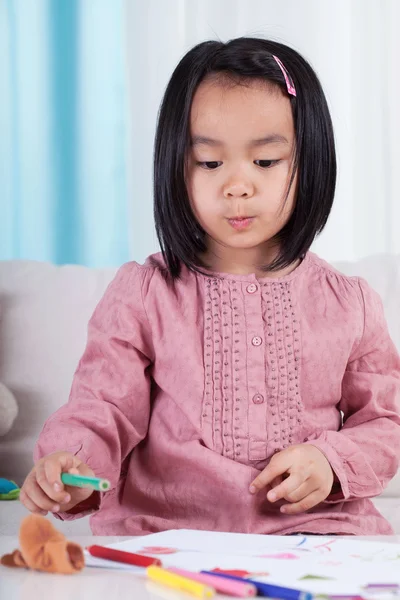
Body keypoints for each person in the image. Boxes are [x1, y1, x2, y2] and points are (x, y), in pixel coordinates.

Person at [20, 37, 400, 536]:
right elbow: (103, 407)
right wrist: (72, 465)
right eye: (209, 163)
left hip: (315, 532)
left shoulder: (349, 303)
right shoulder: (144, 293)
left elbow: (386, 423)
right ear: (176, 167)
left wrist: (330, 461)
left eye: (266, 162)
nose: (237, 186)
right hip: (169, 534)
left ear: (310, 163)